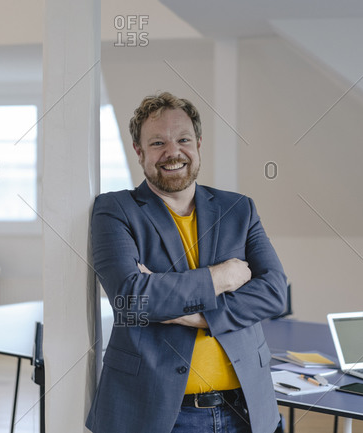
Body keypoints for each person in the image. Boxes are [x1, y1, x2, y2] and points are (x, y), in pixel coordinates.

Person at [86, 92, 287, 433]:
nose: (172, 152)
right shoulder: (115, 210)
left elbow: (273, 292)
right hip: (157, 415)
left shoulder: (238, 209)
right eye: (157, 143)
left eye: (183, 139)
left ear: (198, 144)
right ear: (139, 152)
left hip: (246, 409)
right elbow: (131, 298)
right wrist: (222, 276)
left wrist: (189, 313)